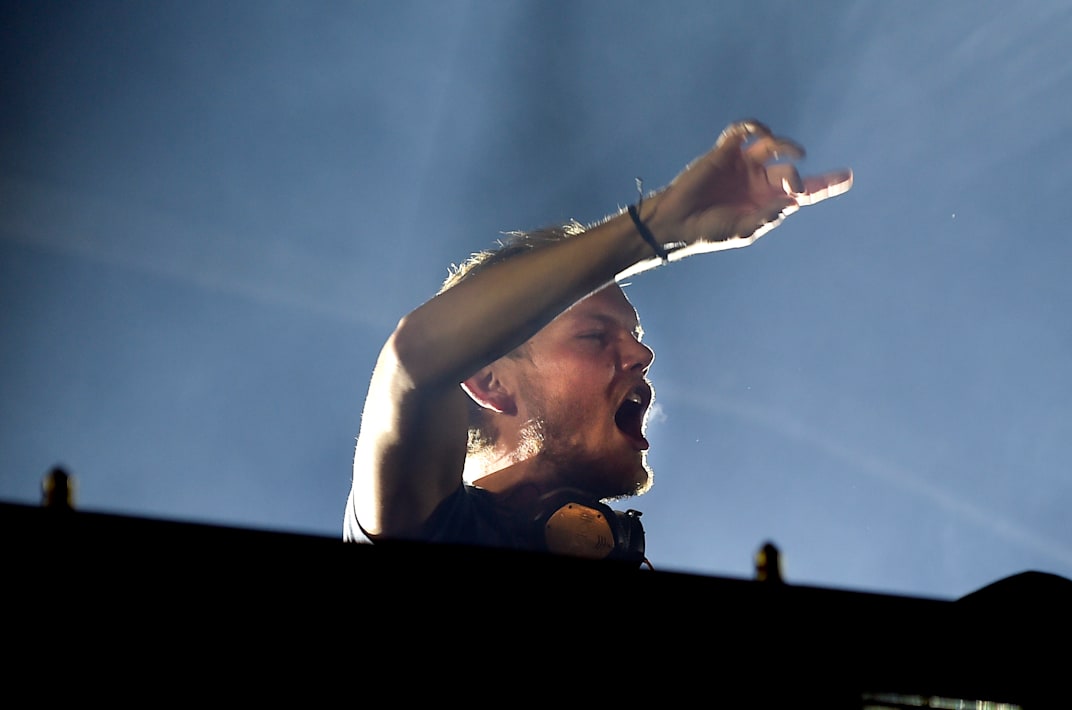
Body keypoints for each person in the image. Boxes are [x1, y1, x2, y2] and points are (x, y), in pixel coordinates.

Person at [344, 120, 852, 563]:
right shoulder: (431, 528)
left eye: (634, 336)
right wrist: (657, 228)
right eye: (593, 336)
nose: (642, 355)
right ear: (490, 382)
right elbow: (416, 358)